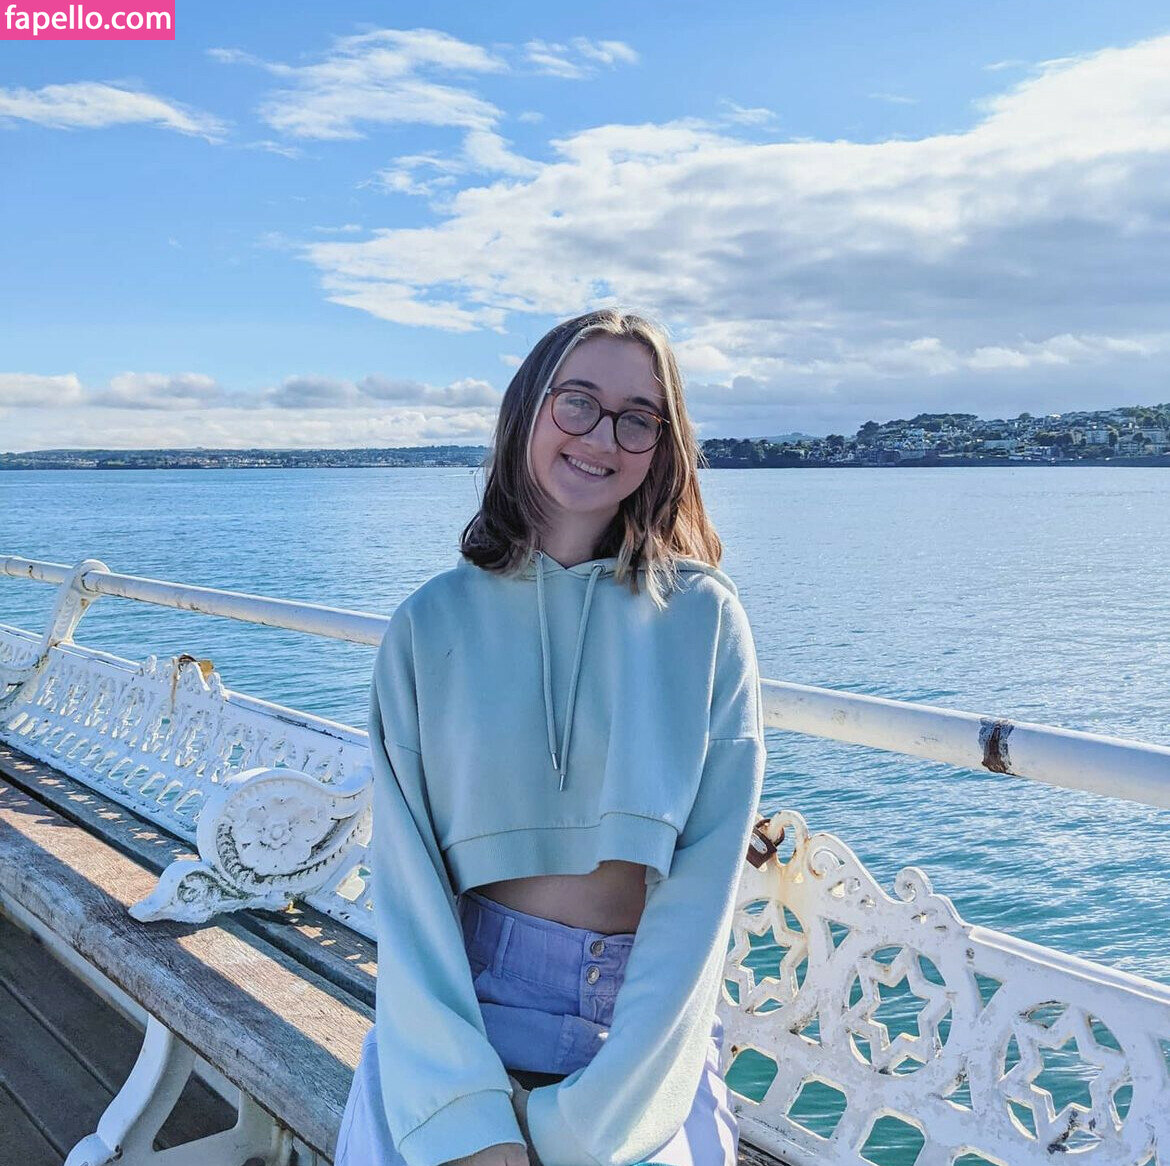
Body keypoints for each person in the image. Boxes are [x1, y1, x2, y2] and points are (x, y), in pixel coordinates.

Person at [336, 308, 768, 1166]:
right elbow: (412, 891)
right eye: (578, 401)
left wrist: (597, 1123)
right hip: (465, 1021)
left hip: (645, 1040)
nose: (602, 436)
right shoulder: (429, 624)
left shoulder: (705, 619)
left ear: (663, 445)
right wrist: (465, 1114)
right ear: (528, 408)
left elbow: (702, 890)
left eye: (638, 417)